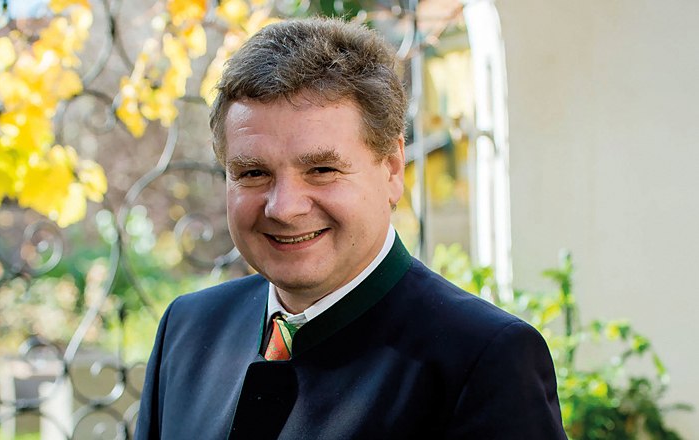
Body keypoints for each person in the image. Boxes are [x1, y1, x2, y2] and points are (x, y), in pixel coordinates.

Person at [135, 17, 566, 439]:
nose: (284, 207)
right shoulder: (188, 329)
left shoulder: (483, 360)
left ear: (392, 168)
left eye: (322, 169)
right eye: (252, 173)